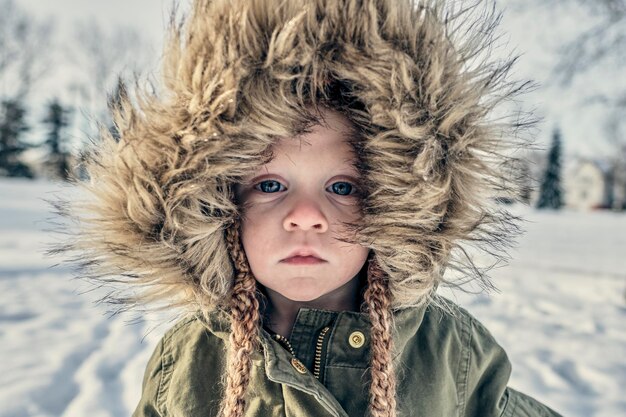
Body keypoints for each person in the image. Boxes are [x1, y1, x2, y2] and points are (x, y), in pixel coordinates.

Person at [58, 0, 564, 416]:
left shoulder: (450, 352)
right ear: (218, 204)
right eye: (271, 183)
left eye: (343, 188)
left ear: (396, 207)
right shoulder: (187, 361)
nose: (306, 215)